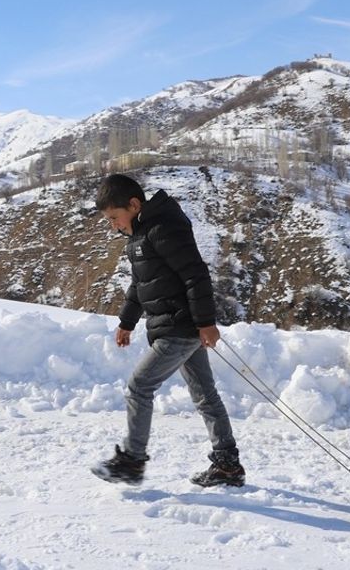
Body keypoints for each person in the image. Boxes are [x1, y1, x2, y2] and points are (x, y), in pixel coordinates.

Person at [90, 173, 244, 487]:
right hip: (176, 327)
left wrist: (206, 323)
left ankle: (132, 461)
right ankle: (227, 464)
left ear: (133, 205)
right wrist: (126, 322)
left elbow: (195, 275)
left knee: (139, 387)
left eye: (114, 217)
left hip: (180, 327)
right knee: (205, 395)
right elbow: (140, 285)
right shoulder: (139, 236)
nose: (113, 225)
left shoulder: (162, 229)